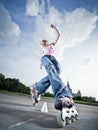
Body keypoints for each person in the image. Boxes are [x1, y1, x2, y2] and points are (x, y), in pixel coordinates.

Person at [30, 24, 74, 110]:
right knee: (50, 68)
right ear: (41, 45)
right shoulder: (43, 51)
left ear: (46, 43)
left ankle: (37, 88)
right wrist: (41, 65)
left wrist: (55, 28)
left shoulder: (51, 45)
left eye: (44, 43)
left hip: (52, 58)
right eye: (42, 44)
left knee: (57, 71)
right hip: (44, 58)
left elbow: (58, 36)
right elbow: (43, 59)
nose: (43, 45)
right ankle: (62, 95)